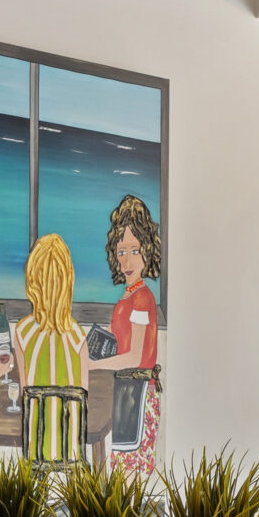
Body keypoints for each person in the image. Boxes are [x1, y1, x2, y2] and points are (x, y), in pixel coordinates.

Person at [91, 193, 163, 474]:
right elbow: (115, 344)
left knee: (129, 472)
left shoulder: (143, 298)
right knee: (121, 467)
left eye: (134, 250)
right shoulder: (125, 298)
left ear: (147, 249)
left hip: (140, 392)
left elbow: (133, 356)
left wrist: (92, 364)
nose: (127, 261)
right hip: (124, 391)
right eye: (122, 252)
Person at [17, 234, 89, 465]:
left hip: (35, 450)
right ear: (68, 282)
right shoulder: (78, 336)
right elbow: (83, 394)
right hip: (71, 451)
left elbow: (23, 394)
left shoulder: (22, 333)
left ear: (32, 282)